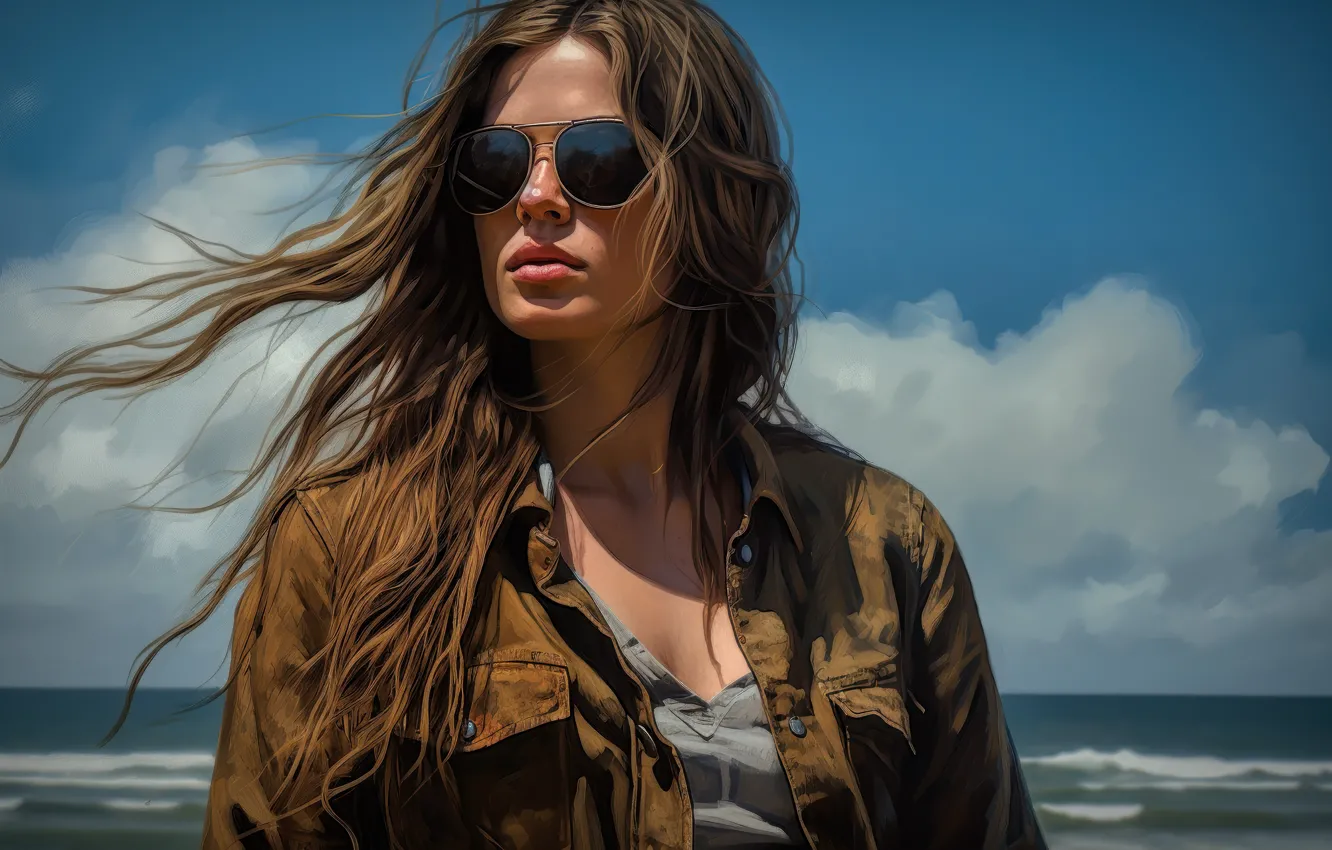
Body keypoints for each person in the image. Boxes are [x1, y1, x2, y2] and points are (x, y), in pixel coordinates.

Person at [1, 1, 1047, 848]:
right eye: (498, 164)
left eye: (598, 159)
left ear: (713, 197)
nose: (538, 196)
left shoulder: (883, 542)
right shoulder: (352, 548)